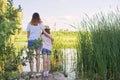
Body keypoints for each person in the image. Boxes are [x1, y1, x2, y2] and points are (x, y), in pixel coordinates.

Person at [26, 12, 53, 77]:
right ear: (38, 17)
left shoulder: (29, 24)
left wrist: (31, 38)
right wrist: (51, 37)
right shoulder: (40, 24)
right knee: (38, 58)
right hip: (38, 42)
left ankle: (32, 73)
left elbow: (28, 35)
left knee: (31, 58)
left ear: (32, 17)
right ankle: (37, 73)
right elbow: (44, 32)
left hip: (31, 41)